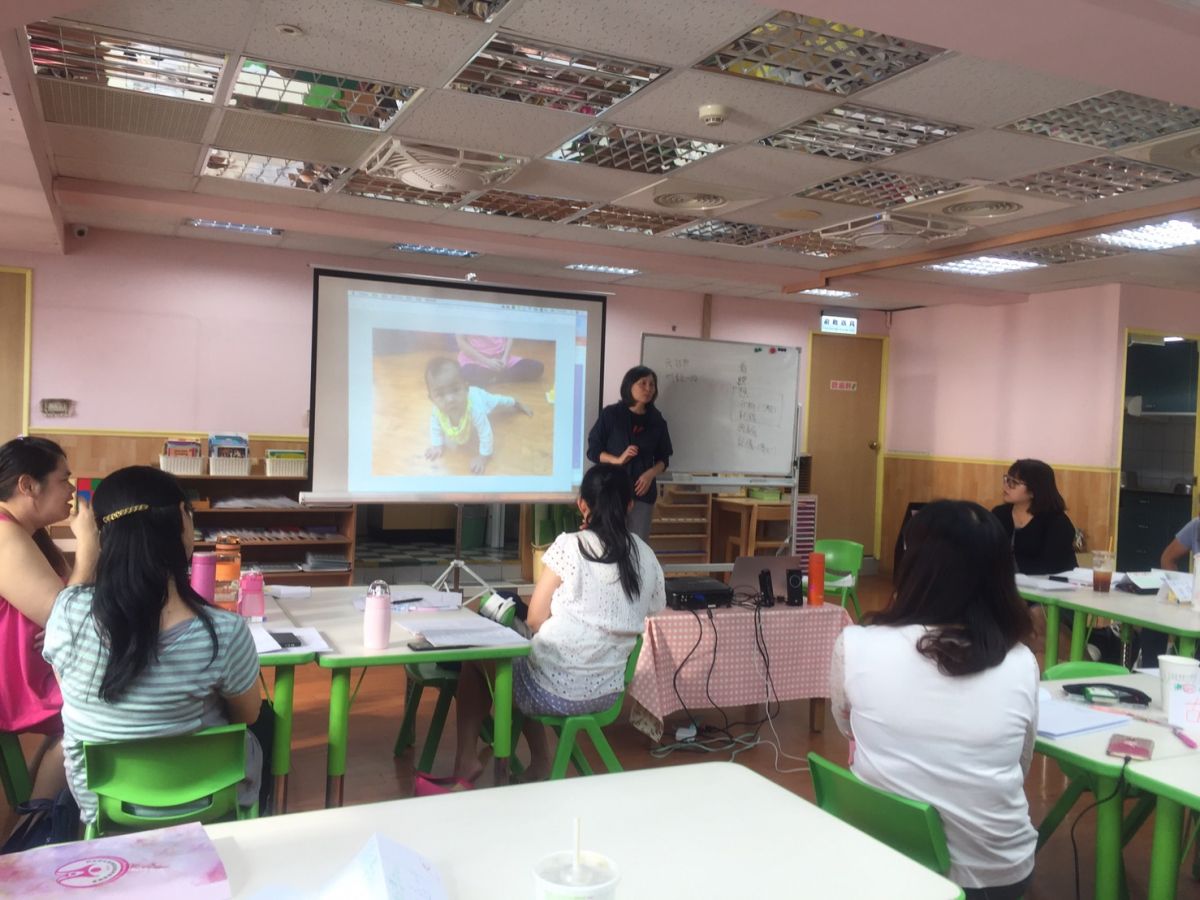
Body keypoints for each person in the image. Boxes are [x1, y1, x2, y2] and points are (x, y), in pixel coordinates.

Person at [831, 500, 1038, 899]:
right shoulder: (1021, 662)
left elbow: (847, 728)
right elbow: (1019, 762)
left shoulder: (856, 645)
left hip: (883, 858)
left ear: (913, 566)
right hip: (998, 874)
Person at [41, 466, 263, 828]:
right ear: (182, 520)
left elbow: (70, 690)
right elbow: (248, 715)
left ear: (100, 536)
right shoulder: (224, 632)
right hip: (206, 803)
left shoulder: (67, 612)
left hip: (104, 808)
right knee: (261, 727)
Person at [422, 464, 665, 792]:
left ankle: (468, 760)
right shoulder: (646, 555)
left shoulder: (570, 546)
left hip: (551, 690)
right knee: (534, 658)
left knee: (483, 656)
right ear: (630, 505)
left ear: (582, 504)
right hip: (607, 692)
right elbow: (653, 608)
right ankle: (538, 762)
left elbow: (535, 619)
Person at [0, 436, 98, 803]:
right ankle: (39, 825)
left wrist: (59, 621)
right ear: (28, 485)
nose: (71, 489)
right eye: (63, 479)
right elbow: (69, 617)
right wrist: (87, 548)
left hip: (41, 669)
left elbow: (71, 608)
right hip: (18, 680)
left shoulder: (27, 533)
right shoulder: (5, 534)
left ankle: (35, 811)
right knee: (97, 714)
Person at [586, 366, 673, 540]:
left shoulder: (657, 420)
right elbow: (593, 451)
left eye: (652, 384)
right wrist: (617, 460)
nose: (648, 388)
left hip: (642, 492)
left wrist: (650, 474)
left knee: (638, 544)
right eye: (643, 383)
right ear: (629, 385)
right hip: (611, 490)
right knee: (607, 540)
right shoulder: (611, 415)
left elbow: (664, 458)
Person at [424, 357, 532, 474]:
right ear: (432, 399)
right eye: (440, 395)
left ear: (466, 388)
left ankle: (515, 402)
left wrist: (483, 457)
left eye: (455, 390)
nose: (450, 399)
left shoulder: (475, 409)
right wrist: (437, 445)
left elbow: (485, 432)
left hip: (480, 398)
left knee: (497, 400)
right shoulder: (437, 411)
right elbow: (435, 427)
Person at [990, 459, 1077, 576]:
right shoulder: (999, 513)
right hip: (1009, 582)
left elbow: (1052, 565)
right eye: (1007, 479)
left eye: (1014, 482)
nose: (1006, 486)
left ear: (1033, 491)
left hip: (1052, 583)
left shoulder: (1056, 522)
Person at [456, 334, 544, 386]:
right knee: (467, 373)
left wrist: (505, 358)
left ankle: (494, 377)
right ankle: (499, 376)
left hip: (501, 357)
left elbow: (510, 335)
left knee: (536, 367)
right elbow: (461, 342)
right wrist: (487, 362)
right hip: (476, 359)